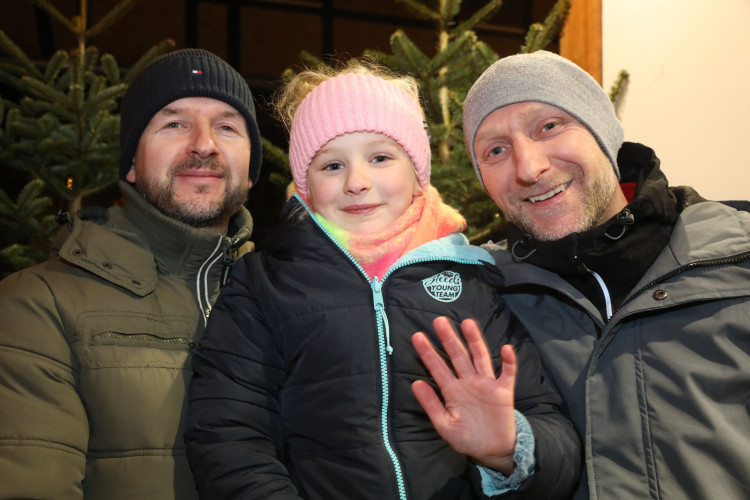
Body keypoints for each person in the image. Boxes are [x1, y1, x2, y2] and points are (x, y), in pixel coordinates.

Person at [183, 59, 581, 499]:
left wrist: (509, 449)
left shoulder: (473, 280)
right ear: (306, 185)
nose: (357, 181)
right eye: (332, 165)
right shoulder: (265, 284)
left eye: (380, 157)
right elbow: (228, 436)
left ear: (416, 175)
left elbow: (556, 442)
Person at [461, 50, 750, 499]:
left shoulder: (738, 257)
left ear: (604, 133)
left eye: (549, 127)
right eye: (495, 150)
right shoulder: (481, 294)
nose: (528, 168)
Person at [0, 48, 262, 499]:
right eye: (174, 123)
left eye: (226, 126)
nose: (204, 144)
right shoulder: (38, 305)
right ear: (132, 165)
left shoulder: (286, 303)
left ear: (252, 168)